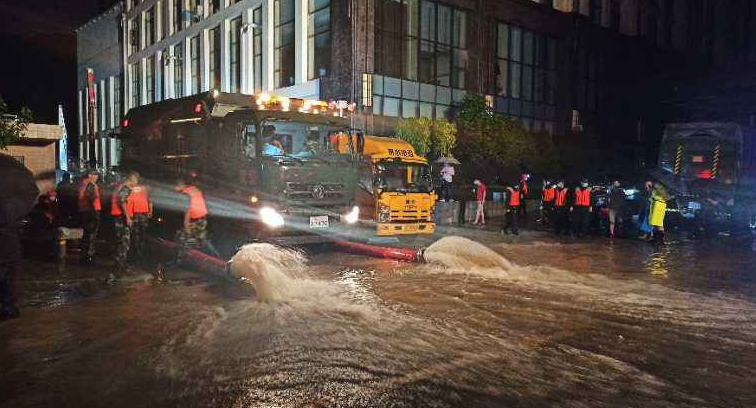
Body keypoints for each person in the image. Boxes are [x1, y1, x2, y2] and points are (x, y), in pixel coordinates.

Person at [175, 179, 219, 263]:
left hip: (195, 219)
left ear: (180, 185)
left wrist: (186, 224)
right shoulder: (193, 188)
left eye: (175, 187)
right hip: (202, 217)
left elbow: (187, 209)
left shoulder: (185, 193)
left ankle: (180, 260)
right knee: (201, 239)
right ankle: (217, 257)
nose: (174, 189)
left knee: (183, 237)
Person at [111, 172, 138, 272]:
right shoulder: (126, 188)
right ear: (132, 179)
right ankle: (121, 265)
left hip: (117, 216)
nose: (136, 183)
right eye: (136, 180)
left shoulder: (120, 186)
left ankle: (119, 263)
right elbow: (122, 200)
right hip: (121, 218)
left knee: (121, 241)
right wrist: (127, 217)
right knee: (125, 242)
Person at [78, 170, 102, 264]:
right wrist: (94, 215)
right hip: (91, 212)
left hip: (85, 211)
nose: (97, 177)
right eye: (95, 175)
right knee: (92, 235)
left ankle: (84, 256)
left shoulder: (83, 184)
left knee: (86, 234)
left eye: (97, 176)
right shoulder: (91, 185)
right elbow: (90, 199)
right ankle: (90, 257)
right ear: (90, 175)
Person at [128, 176, 153, 259]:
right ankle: (140, 252)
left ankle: (137, 252)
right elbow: (150, 201)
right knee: (142, 233)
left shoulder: (132, 188)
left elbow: (150, 201)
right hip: (141, 214)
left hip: (138, 214)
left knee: (137, 233)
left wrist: (150, 211)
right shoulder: (145, 188)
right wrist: (150, 211)